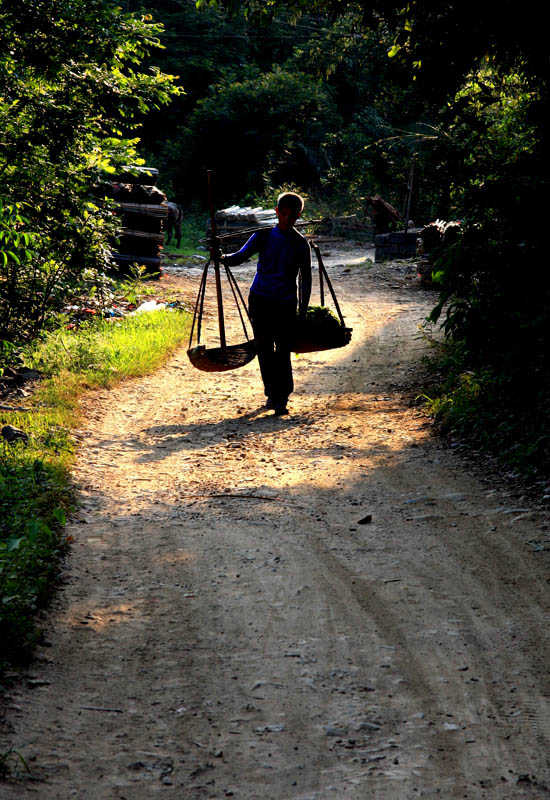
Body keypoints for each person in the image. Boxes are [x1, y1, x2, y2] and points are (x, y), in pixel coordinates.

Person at [221, 192, 311, 415]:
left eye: (293, 217)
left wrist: (303, 311)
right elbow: (239, 257)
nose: (287, 220)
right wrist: (220, 257)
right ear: (277, 211)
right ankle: (271, 393)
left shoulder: (301, 244)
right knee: (264, 348)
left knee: (282, 350)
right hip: (260, 300)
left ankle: (282, 397)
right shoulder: (262, 236)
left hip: (286, 304)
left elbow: (306, 280)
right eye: (284, 215)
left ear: (299, 216)